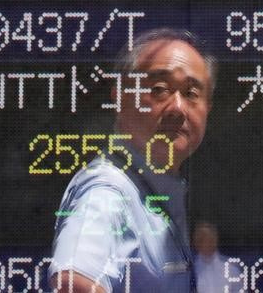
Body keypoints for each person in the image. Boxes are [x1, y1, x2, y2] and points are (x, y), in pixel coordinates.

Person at [49, 29, 216, 292]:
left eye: (191, 93)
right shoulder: (107, 190)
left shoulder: (161, 189)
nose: (177, 107)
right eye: (159, 89)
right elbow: (73, 284)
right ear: (119, 97)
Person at [192, 221, 239, 292]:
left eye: (209, 239)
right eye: (201, 239)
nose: (206, 243)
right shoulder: (191, 270)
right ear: (196, 242)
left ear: (215, 240)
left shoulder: (231, 268)